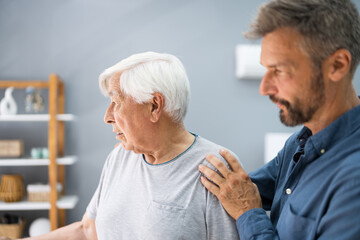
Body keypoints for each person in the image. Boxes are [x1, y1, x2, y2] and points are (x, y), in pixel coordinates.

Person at [0, 52, 240, 240]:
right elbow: (88, 231)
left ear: (154, 106)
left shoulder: (215, 169)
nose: (107, 116)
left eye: (116, 102)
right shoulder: (120, 157)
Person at [199, 0, 360, 239]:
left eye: (280, 70)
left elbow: (245, 201)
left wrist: (248, 213)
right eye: (265, 69)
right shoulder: (302, 141)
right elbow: (244, 188)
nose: (264, 88)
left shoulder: (353, 180)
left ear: (337, 65)